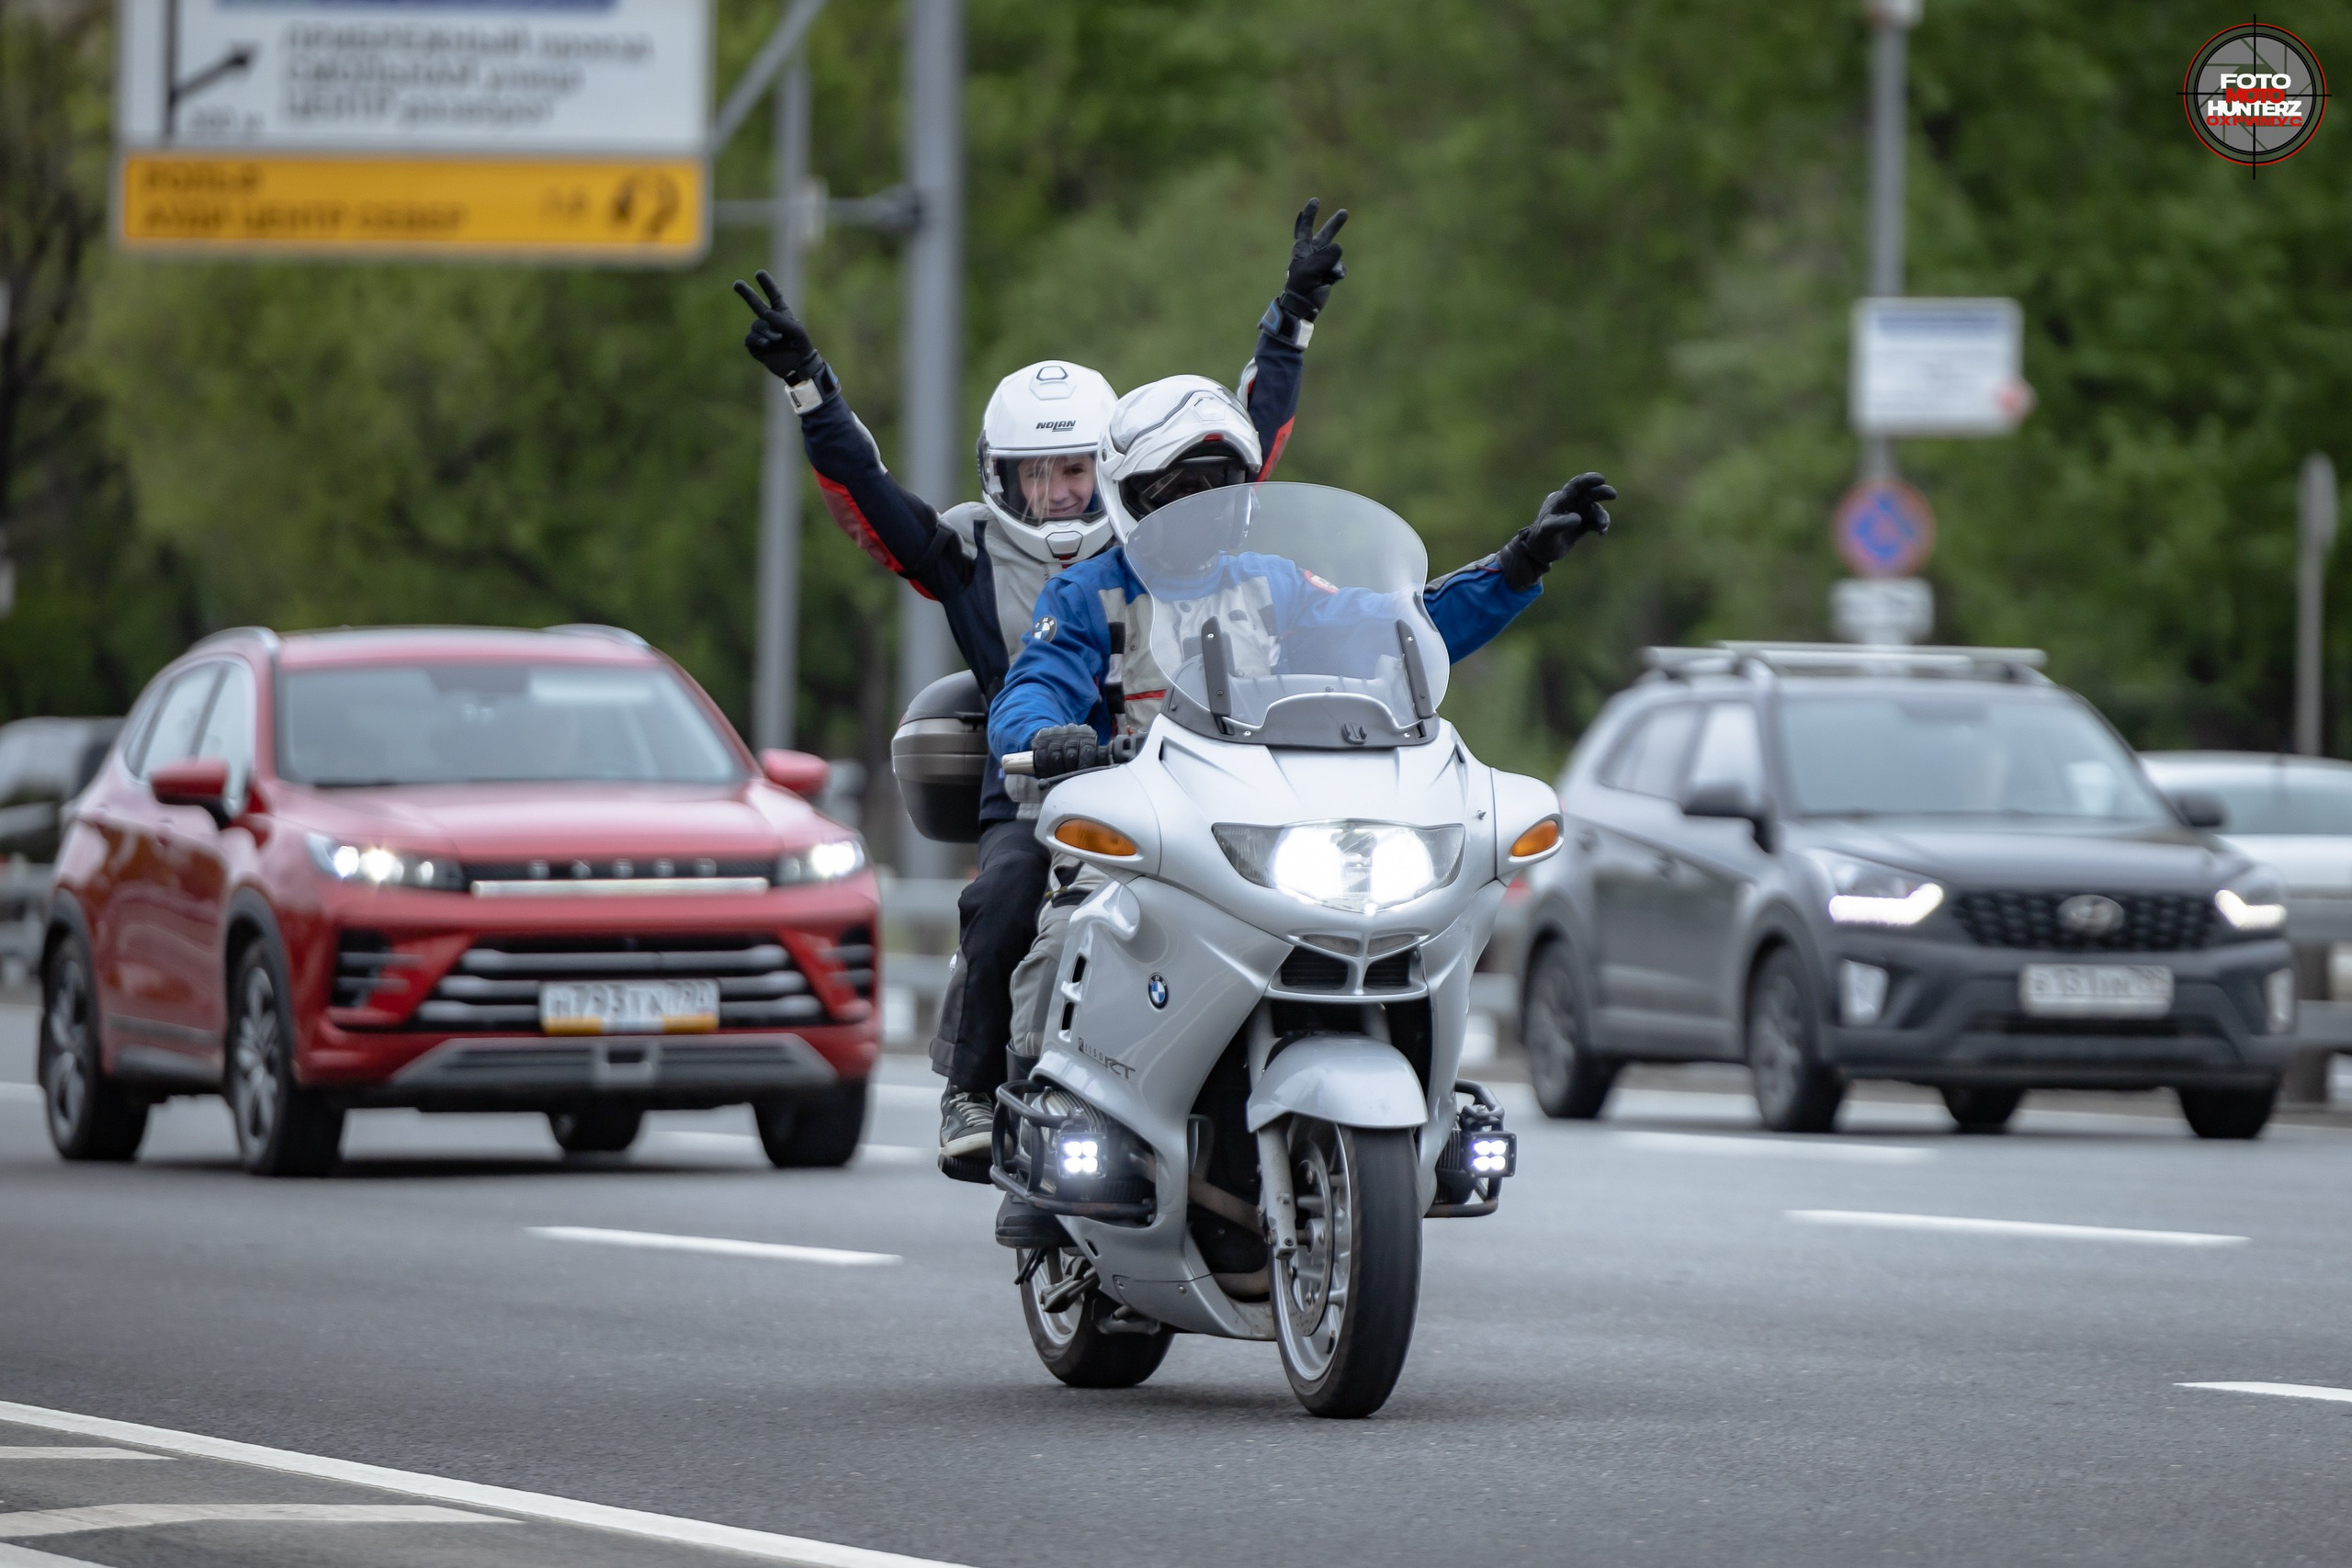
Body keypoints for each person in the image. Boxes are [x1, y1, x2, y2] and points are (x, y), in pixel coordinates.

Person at [731, 199, 1354, 1172]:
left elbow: (1247, 435)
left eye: (1076, 469)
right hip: (1039, 778)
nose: (1063, 494)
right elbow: (871, 499)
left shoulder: (1152, 524)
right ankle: (974, 1089)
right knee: (1007, 890)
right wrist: (813, 388)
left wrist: (1291, 317)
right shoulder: (966, 550)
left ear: (1110, 470)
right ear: (1001, 481)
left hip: (1190, 771)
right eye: (1037, 475)